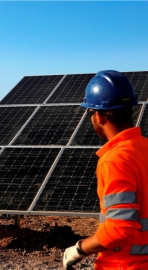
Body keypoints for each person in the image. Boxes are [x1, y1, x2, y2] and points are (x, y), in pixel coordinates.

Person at [63, 70, 148, 269]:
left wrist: (79, 248)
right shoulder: (143, 147)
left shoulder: (114, 160)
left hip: (122, 265)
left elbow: (119, 228)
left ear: (99, 116)